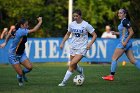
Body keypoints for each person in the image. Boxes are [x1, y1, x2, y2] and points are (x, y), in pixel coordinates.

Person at [58, 9, 97, 86]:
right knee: (74, 65)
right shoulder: (71, 24)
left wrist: (90, 44)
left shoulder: (86, 25)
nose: (75, 17)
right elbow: (68, 34)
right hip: (73, 46)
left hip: (82, 48)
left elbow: (95, 35)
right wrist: (62, 42)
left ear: (80, 16)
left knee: (72, 64)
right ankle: (80, 70)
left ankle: (63, 82)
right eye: (74, 16)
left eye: (77, 16)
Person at [0, 17, 42, 86]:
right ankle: (20, 79)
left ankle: (23, 73)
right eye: (26, 25)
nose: (27, 26)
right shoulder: (21, 31)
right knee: (20, 74)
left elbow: (10, 34)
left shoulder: (19, 30)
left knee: (30, 68)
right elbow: (34, 30)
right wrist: (40, 21)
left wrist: (5, 42)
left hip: (21, 54)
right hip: (13, 55)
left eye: (27, 25)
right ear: (21, 25)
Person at [102, 8, 140, 81]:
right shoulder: (123, 21)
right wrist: (115, 33)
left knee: (114, 58)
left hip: (123, 43)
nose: (119, 14)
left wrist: (125, 42)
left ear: (125, 14)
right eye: (118, 13)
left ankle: (111, 76)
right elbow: (124, 33)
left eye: (121, 13)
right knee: (133, 61)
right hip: (127, 43)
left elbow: (131, 32)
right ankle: (111, 76)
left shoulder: (125, 21)